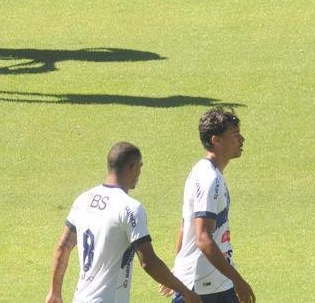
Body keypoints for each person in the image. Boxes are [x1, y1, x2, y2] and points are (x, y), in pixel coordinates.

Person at [45, 142, 200, 303]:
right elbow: (149, 262)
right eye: (140, 167)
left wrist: (54, 292)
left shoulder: (83, 199)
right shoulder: (130, 208)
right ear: (132, 168)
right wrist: (185, 292)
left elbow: (63, 246)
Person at [167, 108, 254, 303]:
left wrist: (178, 268)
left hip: (217, 282)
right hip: (201, 287)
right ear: (216, 140)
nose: (241, 140)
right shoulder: (209, 179)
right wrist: (238, 280)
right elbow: (203, 238)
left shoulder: (206, 173)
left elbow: (185, 226)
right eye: (235, 135)